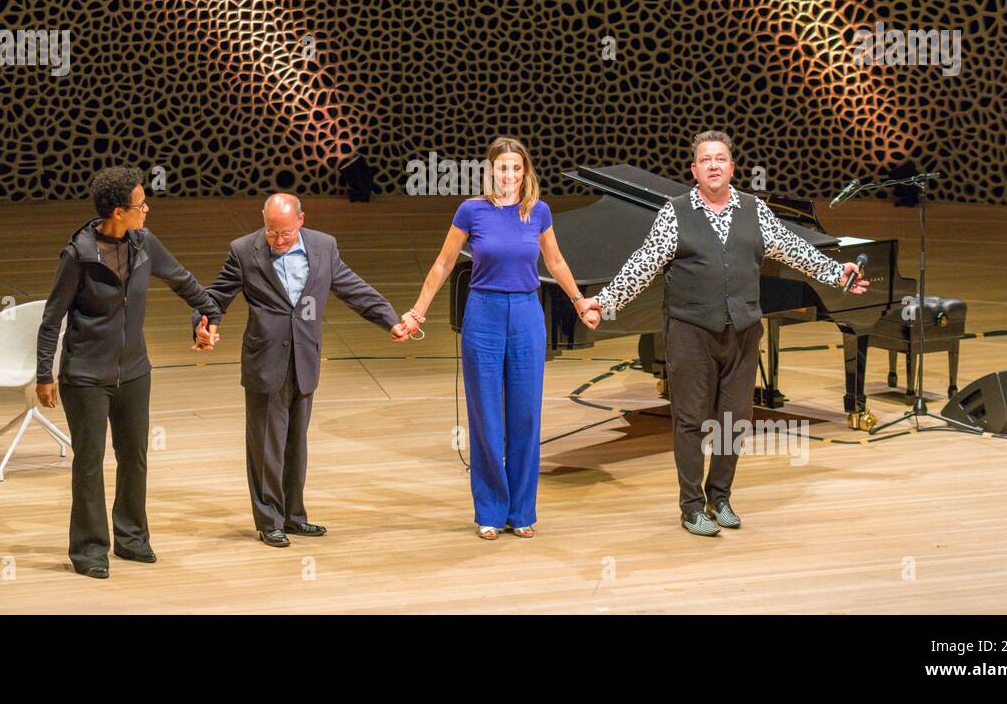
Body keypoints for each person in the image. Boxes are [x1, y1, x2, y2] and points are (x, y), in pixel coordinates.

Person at [578, 131, 869, 537]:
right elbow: (642, 264)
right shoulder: (675, 213)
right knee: (691, 421)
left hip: (743, 332)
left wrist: (836, 275)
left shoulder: (755, 210)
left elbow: (793, 248)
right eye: (706, 159)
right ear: (695, 170)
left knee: (734, 421)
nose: (714, 165)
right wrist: (604, 303)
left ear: (732, 168)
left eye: (721, 158)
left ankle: (720, 497)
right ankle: (692, 506)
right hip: (691, 333)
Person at [191, 193, 416, 547]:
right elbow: (215, 297)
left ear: (301, 220)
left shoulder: (324, 247)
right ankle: (269, 520)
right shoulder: (243, 250)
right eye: (271, 233)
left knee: (296, 444)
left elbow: (351, 287)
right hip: (265, 362)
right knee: (267, 446)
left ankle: (294, 516)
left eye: (285, 233)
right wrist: (204, 325)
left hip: (305, 360)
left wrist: (388, 320)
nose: (278, 241)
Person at [403, 137, 598, 541]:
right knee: (487, 417)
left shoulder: (539, 212)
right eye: (502, 168)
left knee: (525, 415)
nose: (509, 175)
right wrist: (417, 312)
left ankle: (522, 510)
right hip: (484, 314)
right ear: (490, 170)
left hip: (528, 313)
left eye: (515, 168)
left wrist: (580, 301)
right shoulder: (471, 211)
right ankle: (491, 510)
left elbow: (555, 261)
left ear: (525, 172)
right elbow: (443, 264)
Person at [36, 167, 222, 578]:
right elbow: (52, 320)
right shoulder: (78, 255)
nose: (146, 210)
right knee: (89, 462)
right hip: (85, 375)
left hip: (134, 371)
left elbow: (184, 282)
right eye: (140, 205)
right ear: (118, 212)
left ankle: (132, 539)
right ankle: (88, 551)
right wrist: (44, 375)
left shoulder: (144, 243)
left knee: (134, 459)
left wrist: (209, 316)